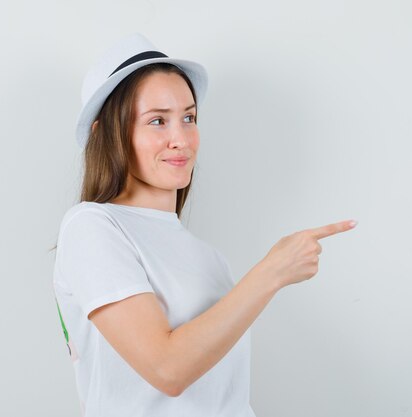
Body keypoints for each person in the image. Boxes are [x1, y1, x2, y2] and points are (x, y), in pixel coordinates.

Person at [53, 32, 358, 417]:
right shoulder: (92, 226)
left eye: (188, 117)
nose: (180, 138)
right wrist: (272, 273)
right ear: (106, 134)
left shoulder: (209, 260)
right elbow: (168, 370)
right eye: (157, 121)